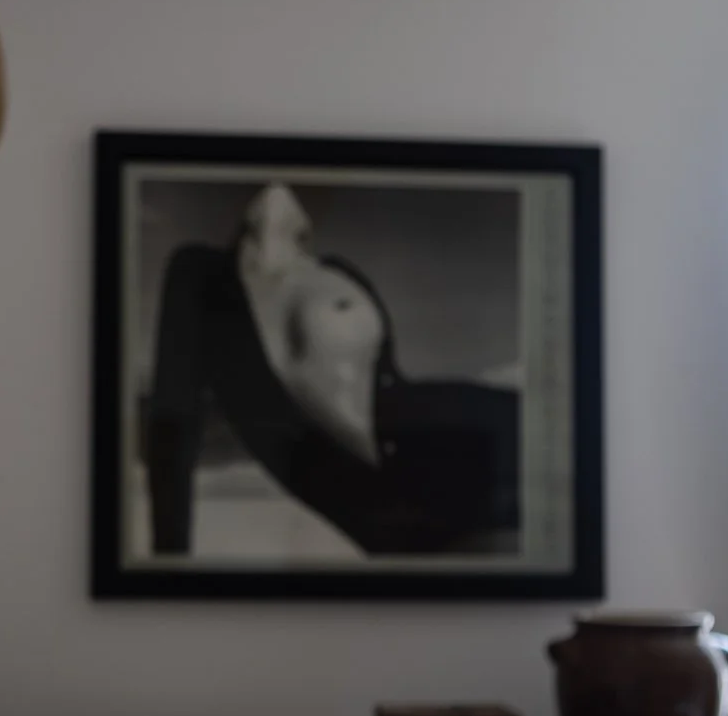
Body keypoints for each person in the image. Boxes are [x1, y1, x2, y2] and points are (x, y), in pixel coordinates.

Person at [146, 183, 521, 557]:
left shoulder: (337, 268)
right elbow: (173, 422)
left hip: (462, 433)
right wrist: (168, 563)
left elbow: (389, 383)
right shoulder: (200, 273)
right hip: (399, 490)